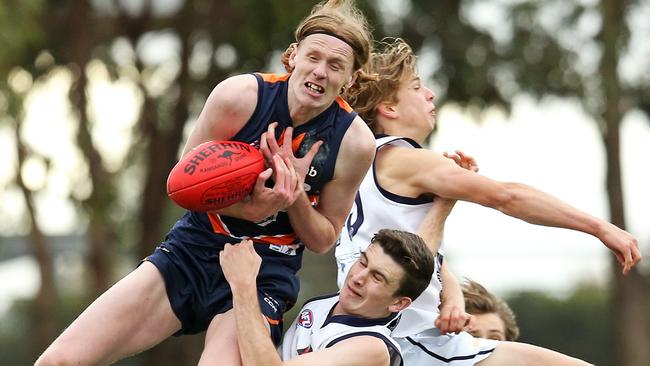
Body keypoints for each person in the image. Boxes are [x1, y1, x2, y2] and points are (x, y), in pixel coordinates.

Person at [36, 1, 377, 365]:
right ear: (292, 56)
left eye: (336, 65)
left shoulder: (354, 143)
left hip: (264, 270)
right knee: (59, 360)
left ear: (351, 79)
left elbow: (324, 237)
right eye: (313, 57)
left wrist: (292, 195)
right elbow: (181, 187)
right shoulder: (240, 98)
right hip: (195, 248)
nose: (321, 72)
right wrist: (252, 207)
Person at [335, 37, 641, 365]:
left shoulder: (361, 163)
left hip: (371, 332)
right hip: (403, 340)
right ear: (389, 107)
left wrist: (450, 295)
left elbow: (418, 253)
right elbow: (506, 196)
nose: (430, 94)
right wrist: (599, 227)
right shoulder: (407, 160)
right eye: (416, 87)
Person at [220, 227, 441, 366]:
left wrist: (243, 284)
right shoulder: (326, 304)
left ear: (399, 303)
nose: (358, 277)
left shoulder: (371, 349)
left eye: (377, 277)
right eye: (363, 262)